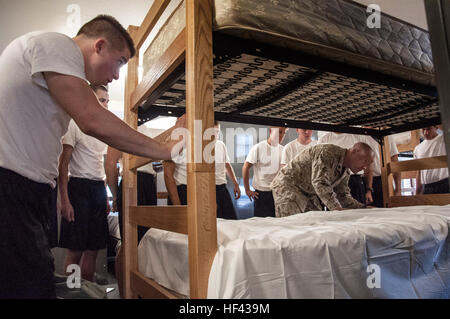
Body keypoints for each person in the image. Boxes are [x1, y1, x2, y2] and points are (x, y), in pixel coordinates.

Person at [0, 15, 185, 299]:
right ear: (99, 45)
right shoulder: (56, 45)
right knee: (29, 286)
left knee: (32, 277)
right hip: (12, 187)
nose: (117, 76)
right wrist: (166, 150)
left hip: (30, 190)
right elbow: (93, 120)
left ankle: (85, 290)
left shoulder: (57, 83)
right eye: (121, 61)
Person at [58, 85, 110, 282]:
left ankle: (87, 293)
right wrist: (65, 200)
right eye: (102, 100)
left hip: (98, 189)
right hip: (78, 188)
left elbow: (101, 166)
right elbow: (63, 164)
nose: (106, 104)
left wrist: (104, 196)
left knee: (93, 249)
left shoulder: (103, 130)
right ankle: (71, 294)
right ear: (91, 99)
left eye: (107, 100)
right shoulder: (74, 124)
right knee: (76, 249)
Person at [271, 142, 375, 217]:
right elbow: (319, 183)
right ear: (354, 151)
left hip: (308, 192)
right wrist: (336, 208)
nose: (365, 167)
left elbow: (342, 196)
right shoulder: (328, 153)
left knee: (315, 223)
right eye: (364, 161)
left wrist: (363, 208)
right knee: (293, 224)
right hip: (287, 185)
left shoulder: (345, 171)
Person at [164, 122, 241, 219]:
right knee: (188, 226)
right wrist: (177, 207)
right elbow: (168, 175)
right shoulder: (181, 144)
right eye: (211, 132)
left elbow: (227, 164)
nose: (214, 135)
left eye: (217, 132)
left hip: (218, 188)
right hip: (185, 189)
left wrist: (235, 183)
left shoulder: (220, 145)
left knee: (225, 223)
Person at [242, 127, 287, 217]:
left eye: (284, 133)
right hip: (261, 194)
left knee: (277, 224)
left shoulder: (283, 150)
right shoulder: (259, 147)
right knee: (261, 225)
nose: (281, 135)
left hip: (277, 193)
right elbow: (245, 167)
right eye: (279, 132)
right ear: (271, 131)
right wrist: (247, 189)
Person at [414, 126, 449, 194]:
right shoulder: (417, 149)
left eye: (429, 129)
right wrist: (417, 192)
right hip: (427, 187)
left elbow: (447, 127)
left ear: (436, 128)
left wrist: (435, 121)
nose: (426, 132)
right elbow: (419, 172)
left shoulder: (444, 138)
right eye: (423, 129)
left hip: (444, 184)